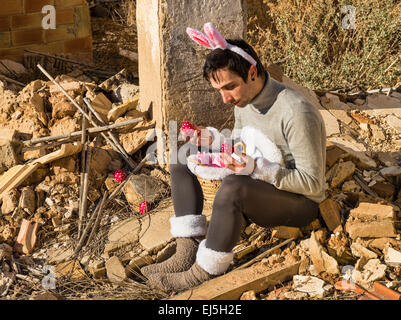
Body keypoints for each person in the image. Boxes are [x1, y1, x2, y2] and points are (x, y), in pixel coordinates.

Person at [141, 23, 326, 293]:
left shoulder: (296, 113)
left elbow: (313, 185)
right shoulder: (245, 100)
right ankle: (187, 250)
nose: (225, 99)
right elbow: (241, 145)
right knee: (184, 154)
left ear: (252, 72)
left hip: (298, 203)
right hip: (259, 182)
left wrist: (257, 168)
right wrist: (215, 141)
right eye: (219, 90)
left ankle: (201, 272)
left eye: (230, 87)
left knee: (232, 188)